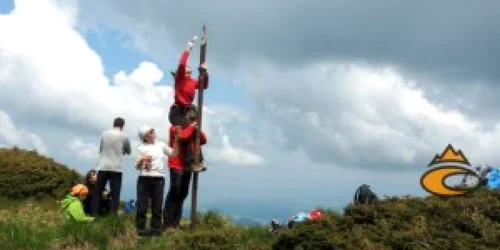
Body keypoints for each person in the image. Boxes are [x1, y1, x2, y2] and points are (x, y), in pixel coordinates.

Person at [164, 106, 208, 230]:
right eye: (189, 115)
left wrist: (197, 128)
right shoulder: (174, 127)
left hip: (187, 165)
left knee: (182, 194)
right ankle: (168, 222)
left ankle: (175, 222)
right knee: (174, 193)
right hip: (176, 164)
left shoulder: (191, 128)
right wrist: (192, 127)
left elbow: (203, 140)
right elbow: (183, 136)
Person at [135, 125, 179, 236]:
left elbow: (174, 154)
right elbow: (137, 166)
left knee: (157, 206)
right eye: (151, 131)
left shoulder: (161, 145)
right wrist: (142, 159)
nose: (154, 132)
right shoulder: (140, 148)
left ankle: (155, 231)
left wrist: (177, 140)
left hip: (158, 178)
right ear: (146, 136)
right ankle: (140, 230)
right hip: (144, 178)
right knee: (141, 206)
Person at [91, 117, 131, 216]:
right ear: (123, 125)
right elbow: (129, 151)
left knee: (97, 192)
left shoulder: (104, 134)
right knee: (115, 194)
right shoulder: (124, 136)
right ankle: (112, 216)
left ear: (113, 124)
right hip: (116, 168)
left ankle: (94, 214)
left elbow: (101, 149)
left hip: (103, 166)